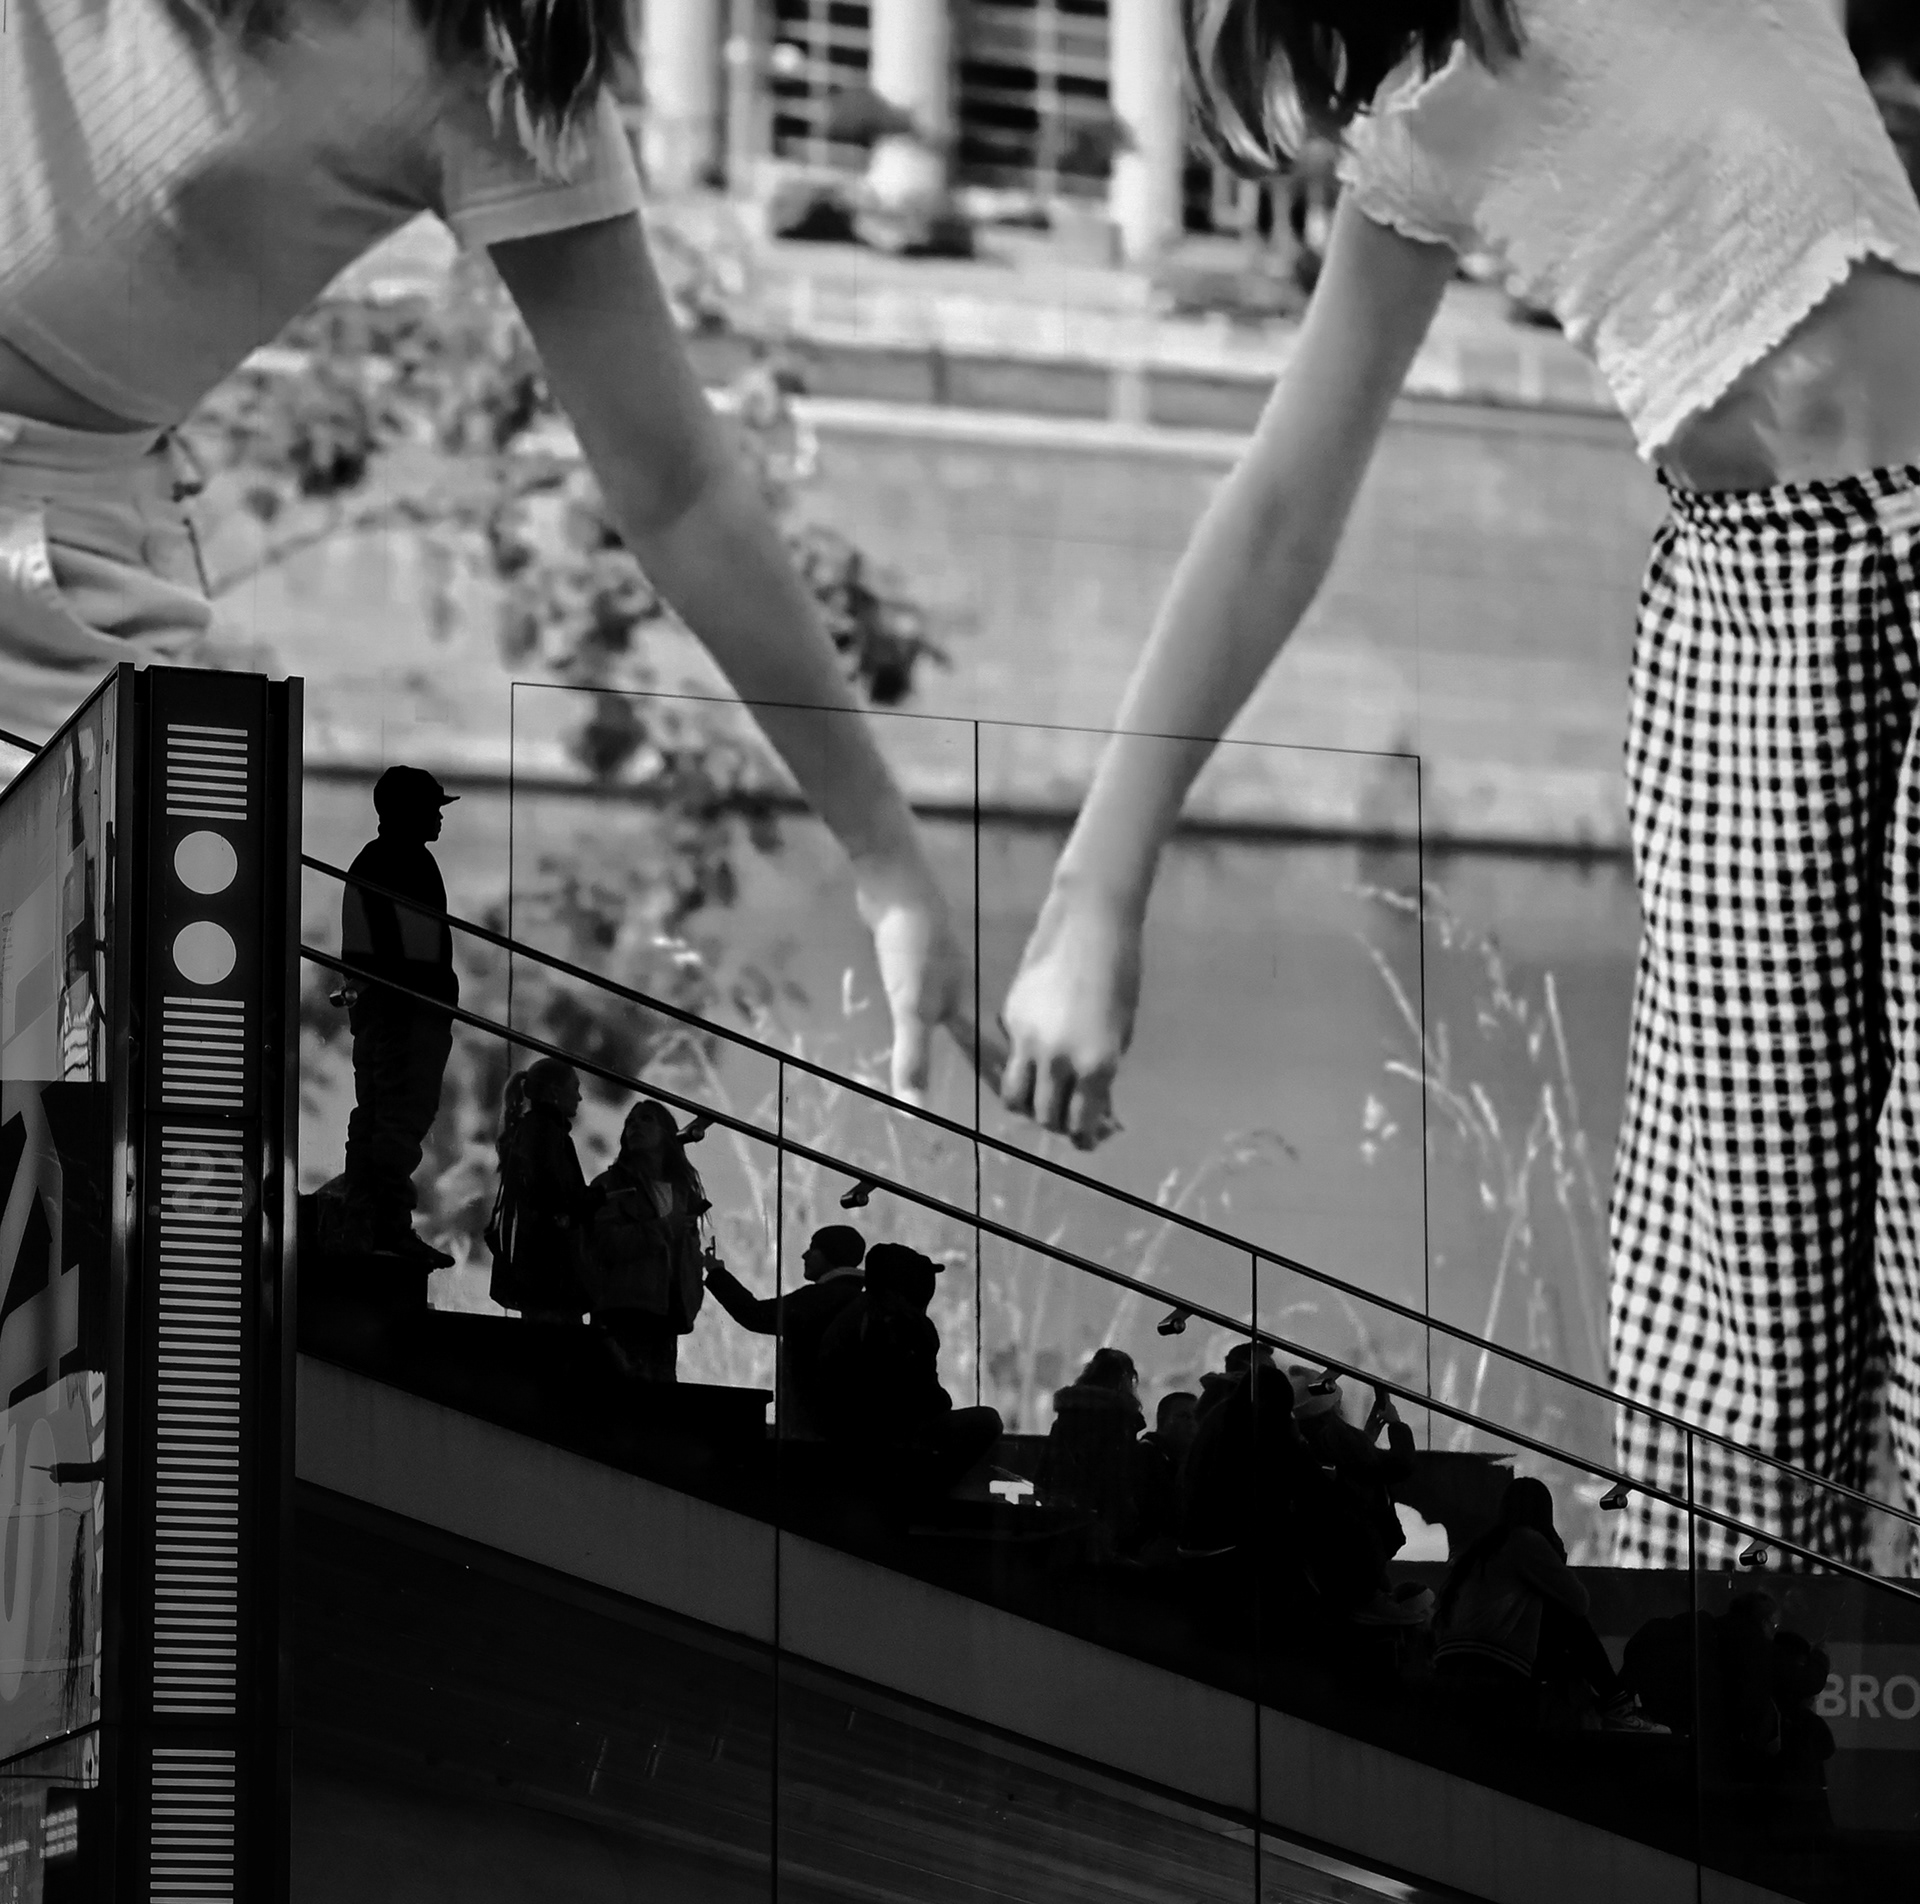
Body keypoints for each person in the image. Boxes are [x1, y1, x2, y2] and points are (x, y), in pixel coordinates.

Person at [996, 0, 1920, 1573]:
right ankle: (1755, 1686)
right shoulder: (1421, 123)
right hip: (1748, 640)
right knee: (1751, 1314)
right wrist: (1097, 893)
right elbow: (1279, 510)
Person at [0, 0, 995, 1113]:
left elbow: (680, 492)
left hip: (45, 595)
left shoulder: (499, 59)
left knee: (72, 1152)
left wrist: (887, 860)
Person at [335, 765, 460, 1267]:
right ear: (410, 812)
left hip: (386, 1009)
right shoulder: (406, 862)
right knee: (400, 1116)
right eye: (432, 808)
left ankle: (363, 1223)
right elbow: (412, 952)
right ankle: (388, 1226)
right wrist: (431, 1001)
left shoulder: (376, 859)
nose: (439, 818)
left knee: (377, 1115)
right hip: (407, 1012)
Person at [1435, 1477, 1665, 1732]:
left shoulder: (1483, 1549)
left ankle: (1609, 1705)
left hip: (1451, 1662)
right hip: (1495, 1661)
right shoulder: (1525, 1541)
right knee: (1567, 1616)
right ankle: (1617, 1706)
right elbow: (1578, 1601)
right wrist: (1555, 1552)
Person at [813, 1242, 1003, 1500]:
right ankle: (927, 1498)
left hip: (853, 1438)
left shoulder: (861, 1312)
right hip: (882, 1441)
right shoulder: (896, 1320)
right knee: (987, 1421)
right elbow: (915, 1393)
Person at [583, 1098, 711, 1382]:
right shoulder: (610, 1186)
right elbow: (605, 1243)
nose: (635, 1126)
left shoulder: (682, 1193)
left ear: (666, 1133)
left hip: (667, 1317)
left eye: (646, 1119)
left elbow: (688, 1256)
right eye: (629, 1121)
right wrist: (663, 1229)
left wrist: (690, 1299)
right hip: (622, 1313)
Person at [706, 1223, 868, 1436]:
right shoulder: (858, 1299)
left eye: (814, 1248)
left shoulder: (821, 1298)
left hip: (812, 1430)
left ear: (831, 1254)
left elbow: (755, 1315)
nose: (804, 1255)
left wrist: (716, 1273)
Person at [487, 1060, 599, 1323]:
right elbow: (553, 1194)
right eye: (575, 1088)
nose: (579, 1097)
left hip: (537, 1272)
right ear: (554, 1091)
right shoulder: (546, 1133)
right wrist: (594, 1199)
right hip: (549, 1272)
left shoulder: (529, 1131)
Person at [1291, 1368, 1418, 1585]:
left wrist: (1366, 1440)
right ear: (1332, 1406)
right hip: (1362, 1547)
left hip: (1327, 1552)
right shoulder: (1342, 1440)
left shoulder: (1302, 1443)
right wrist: (1396, 1424)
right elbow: (1400, 1465)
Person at [1036, 1347, 1155, 1558]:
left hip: (1062, 1511)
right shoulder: (1118, 1422)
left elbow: (1046, 1469)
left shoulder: (1066, 1417)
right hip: (1105, 1515)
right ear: (1125, 1378)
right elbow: (1118, 1476)